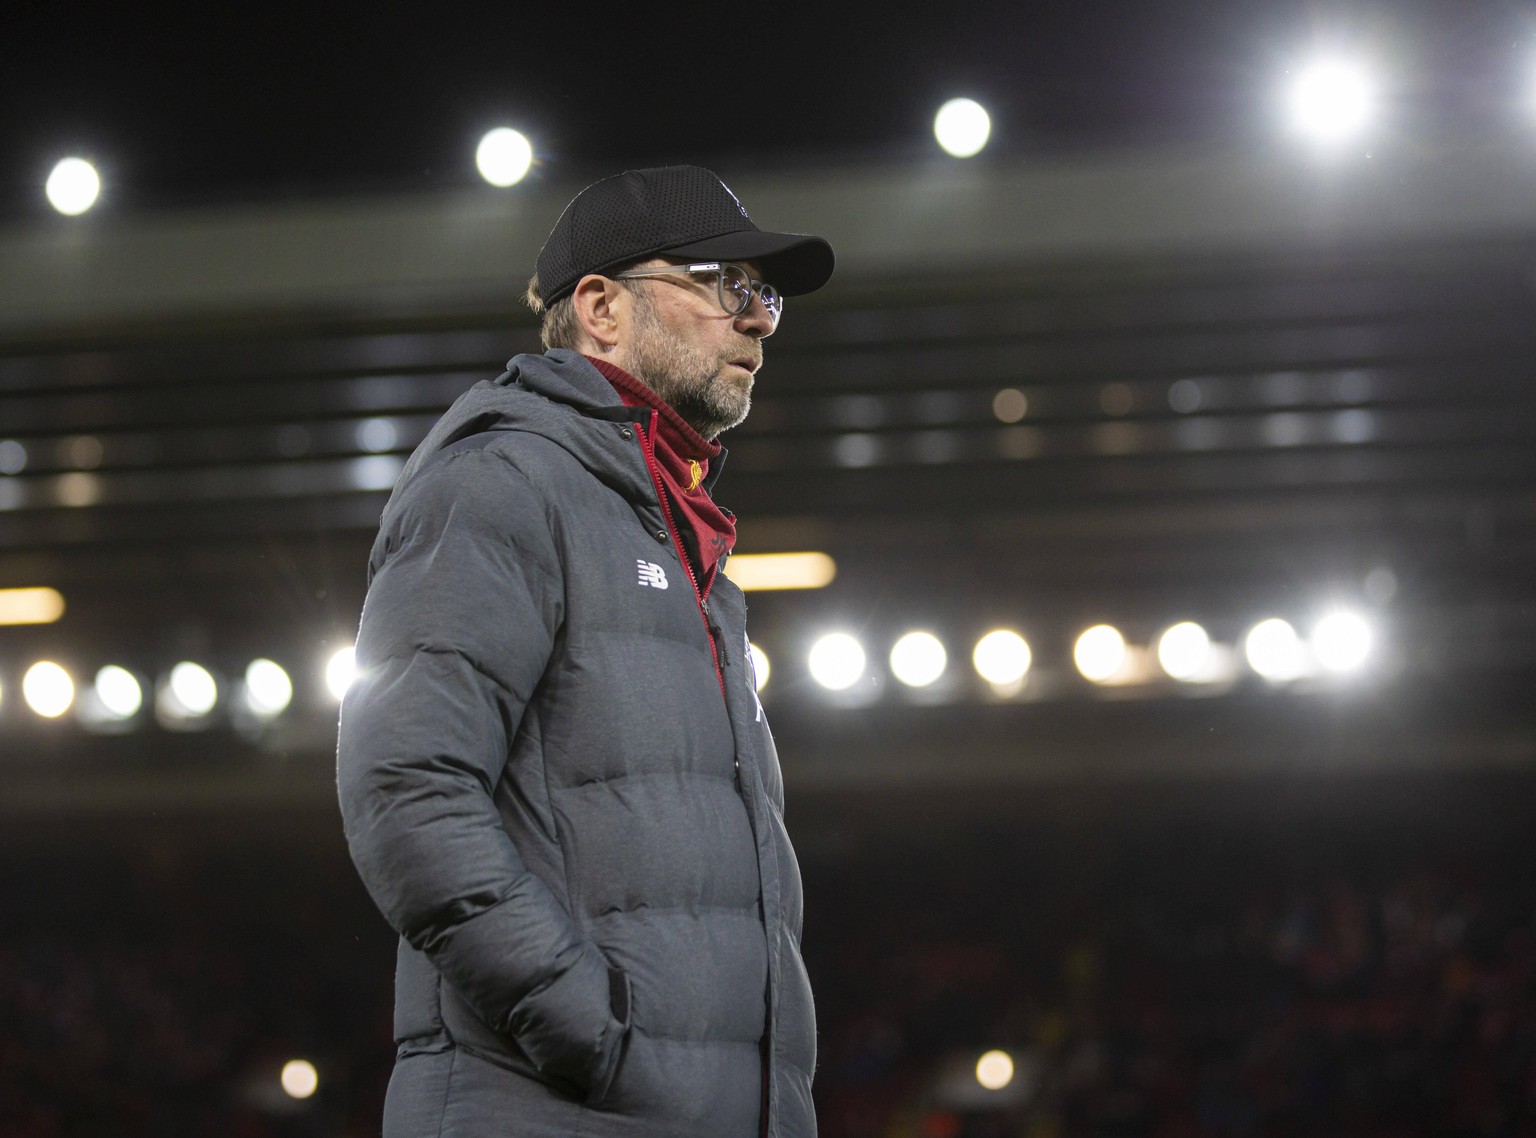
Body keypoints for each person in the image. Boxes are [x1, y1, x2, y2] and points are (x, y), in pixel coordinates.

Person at [336, 165, 834, 1138]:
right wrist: (598, 1038)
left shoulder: (685, 544)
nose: (760, 319)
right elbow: (407, 789)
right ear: (602, 307)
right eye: (723, 283)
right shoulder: (501, 485)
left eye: (763, 293)